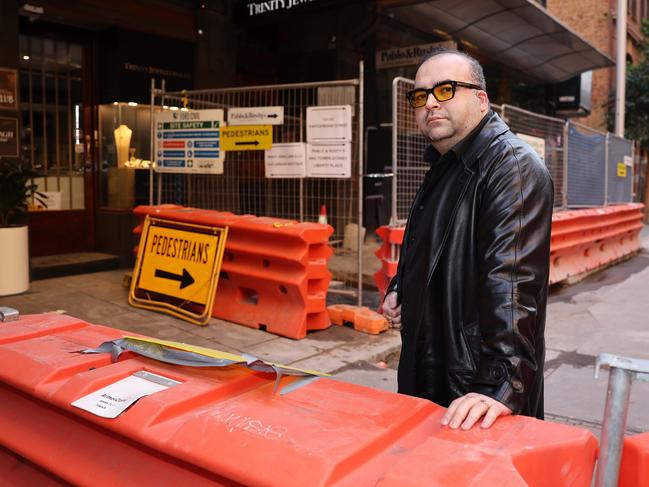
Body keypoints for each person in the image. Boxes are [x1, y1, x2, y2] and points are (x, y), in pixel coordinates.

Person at [382, 49, 553, 430]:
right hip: (429, 365)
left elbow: (511, 284)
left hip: (472, 385)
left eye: (445, 90)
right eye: (420, 95)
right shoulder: (445, 163)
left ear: (481, 99)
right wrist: (400, 287)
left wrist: (499, 386)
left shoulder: (512, 167)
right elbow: (431, 245)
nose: (429, 103)